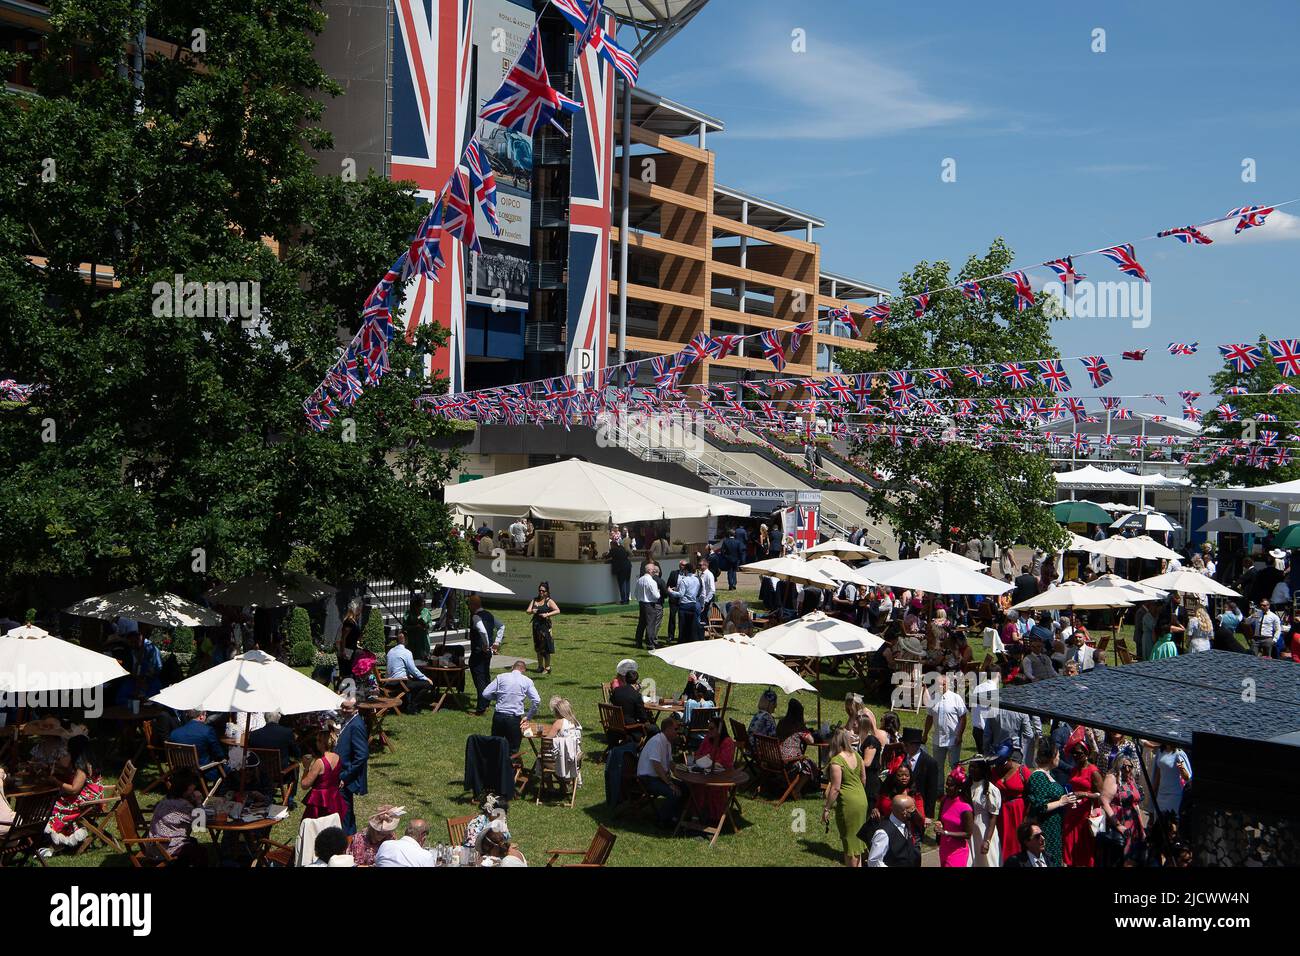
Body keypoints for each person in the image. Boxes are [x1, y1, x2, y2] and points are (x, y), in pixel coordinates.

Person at [46, 735, 104, 851]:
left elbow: (74, 789)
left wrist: (55, 781)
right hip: (91, 798)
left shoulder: (82, 767)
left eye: (69, 749)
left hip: (88, 804)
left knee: (53, 806)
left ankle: (59, 841)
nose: (68, 752)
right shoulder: (88, 761)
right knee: (56, 799)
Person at [1025, 742, 1079, 867]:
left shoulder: (1049, 775)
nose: (1059, 759)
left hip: (1054, 828)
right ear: (1051, 757)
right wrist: (1061, 802)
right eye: (1058, 755)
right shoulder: (1038, 776)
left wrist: (1067, 802)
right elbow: (1040, 806)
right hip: (1045, 828)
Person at [821, 729, 868, 866]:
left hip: (848, 803)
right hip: (861, 799)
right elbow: (863, 779)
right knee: (857, 840)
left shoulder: (837, 761)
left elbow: (835, 788)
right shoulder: (858, 756)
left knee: (850, 843)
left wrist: (827, 808)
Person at [147, 769, 207, 866]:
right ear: (184, 789)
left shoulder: (166, 799)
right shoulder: (183, 805)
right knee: (201, 851)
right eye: (191, 790)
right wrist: (198, 802)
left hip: (154, 845)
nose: (193, 792)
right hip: (165, 848)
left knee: (193, 842)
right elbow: (200, 825)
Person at [482, 660, 541, 754]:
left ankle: (495, 767)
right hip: (514, 719)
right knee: (513, 750)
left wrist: (497, 698)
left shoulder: (501, 677)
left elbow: (485, 693)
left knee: (495, 747)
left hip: (498, 717)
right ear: (523, 670)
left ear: (513, 667)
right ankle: (510, 767)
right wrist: (528, 717)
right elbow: (537, 700)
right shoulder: (526, 681)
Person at [1062, 738, 1102, 867]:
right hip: (1072, 812)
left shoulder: (1093, 771)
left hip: (1086, 815)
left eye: (1078, 753)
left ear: (1086, 753)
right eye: (1073, 753)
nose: (1075, 755)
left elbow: (1101, 796)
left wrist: (1084, 794)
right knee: (1069, 846)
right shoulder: (1074, 769)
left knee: (1084, 848)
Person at [637, 717, 684, 828]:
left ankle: (678, 815)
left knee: (685, 787)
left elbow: (671, 762)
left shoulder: (667, 742)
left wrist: (682, 774)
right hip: (647, 778)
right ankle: (662, 820)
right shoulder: (657, 741)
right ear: (667, 729)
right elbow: (657, 766)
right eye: (675, 729)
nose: (677, 732)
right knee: (673, 793)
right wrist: (670, 784)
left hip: (657, 777)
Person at [690, 717, 736, 824]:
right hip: (705, 772)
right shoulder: (707, 739)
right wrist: (704, 759)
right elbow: (697, 754)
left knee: (710, 787)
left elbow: (725, 763)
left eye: (711, 728)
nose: (708, 731)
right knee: (695, 785)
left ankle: (712, 817)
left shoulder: (727, 742)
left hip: (722, 776)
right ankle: (696, 815)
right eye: (708, 729)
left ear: (719, 729)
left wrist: (710, 761)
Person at [334, 698, 369, 835]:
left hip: (346, 777)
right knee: (343, 811)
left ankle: (348, 840)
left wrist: (345, 775)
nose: (343, 710)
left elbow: (362, 755)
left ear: (356, 709)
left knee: (345, 813)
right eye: (342, 707)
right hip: (342, 773)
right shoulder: (348, 721)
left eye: (347, 708)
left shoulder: (356, 725)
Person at [922, 674, 967, 780]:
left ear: (947, 685)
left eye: (941, 685)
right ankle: (939, 790)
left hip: (953, 739)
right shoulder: (933, 698)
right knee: (938, 767)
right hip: (938, 739)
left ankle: (956, 788)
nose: (938, 687)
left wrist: (959, 735)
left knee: (954, 766)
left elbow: (963, 718)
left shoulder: (956, 698)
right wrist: (925, 734)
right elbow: (929, 717)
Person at [301, 727, 349, 823]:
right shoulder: (337, 757)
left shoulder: (319, 762)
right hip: (333, 798)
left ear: (322, 744)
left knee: (314, 828)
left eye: (318, 740)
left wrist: (306, 768)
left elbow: (304, 785)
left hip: (319, 801)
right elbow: (333, 776)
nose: (316, 743)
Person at [168, 710, 227, 784]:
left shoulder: (174, 733)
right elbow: (219, 755)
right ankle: (221, 792)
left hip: (180, 771)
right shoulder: (208, 731)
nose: (206, 717)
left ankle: (194, 789)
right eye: (206, 715)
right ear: (201, 716)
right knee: (228, 769)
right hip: (202, 771)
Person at [863, 793, 921, 867]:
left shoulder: (905, 823)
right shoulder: (883, 833)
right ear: (904, 812)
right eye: (912, 809)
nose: (915, 812)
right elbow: (874, 861)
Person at [776, 699, 819, 794]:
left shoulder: (781, 722)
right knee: (809, 764)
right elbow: (811, 741)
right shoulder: (798, 726)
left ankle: (787, 786)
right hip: (789, 762)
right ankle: (796, 790)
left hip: (776, 759)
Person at [935, 765, 974, 867]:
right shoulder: (945, 800)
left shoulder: (966, 808)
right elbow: (941, 820)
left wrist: (946, 832)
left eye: (950, 785)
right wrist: (939, 825)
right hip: (944, 848)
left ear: (959, 787)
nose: (947, 787)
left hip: (957, 851)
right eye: (946, 785)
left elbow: (968, 834)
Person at [967, 758, 1002, 867]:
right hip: (971, 830)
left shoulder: (990, 789)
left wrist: (987, 841)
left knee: (987, 861)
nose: (971, 769)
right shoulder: (968, 786)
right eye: (970, 766)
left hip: (985, 830)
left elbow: (993, 817)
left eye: (974, 767)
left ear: (982, 770)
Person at [900, 726, 940, 819]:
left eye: (906, 744)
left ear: (916, 745)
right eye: (904, 744)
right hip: (901, 803)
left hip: (919, 806)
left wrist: (928, 815)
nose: (904, 746)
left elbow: (932, 790)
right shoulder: (902, 757)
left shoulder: (929, 763)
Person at [467, 595, 496, 714]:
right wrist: (497, 642)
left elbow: (482, 631)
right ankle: (487, 702)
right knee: (486, 676)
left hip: (479, 651)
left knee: (480, 679)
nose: (468, 607)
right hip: (487, 653)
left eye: (469, 604)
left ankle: (481, 708)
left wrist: (486, 644)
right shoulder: (489, 615)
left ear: (474, 605)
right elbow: (501, 626)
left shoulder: (475, 617)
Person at [526, 583, 559, 674]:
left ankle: (547, 667)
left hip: (545, 626)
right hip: (536, 626)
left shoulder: (549, 601)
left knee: (546, 647)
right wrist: (532, 611)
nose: (541, 592)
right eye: (540, 590)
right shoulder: (534, 600)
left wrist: (547, 614)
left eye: (543, 591)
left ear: (547, 592)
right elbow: (527, 611)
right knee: (538, 646)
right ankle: (540, 666)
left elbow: (557, 610)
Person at [610, 667, 650, 742]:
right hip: (629, 727)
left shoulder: (617, 690)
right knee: (654, 729)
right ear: (636, 681)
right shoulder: (636, 695)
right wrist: (647, 721)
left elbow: (612, 700)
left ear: (625, 679)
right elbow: (642, 716)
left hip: (614, 724)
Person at [1152, 742, 1191, 817]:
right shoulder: (1160, 751)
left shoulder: (1179, 753)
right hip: (1161, 794)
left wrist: (1182, 769)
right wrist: (1154, 790)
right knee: (1159, 821)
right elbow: (1158, 773)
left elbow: (1187, 778)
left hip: (1174, 795)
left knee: (1172, 822)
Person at [669, 562, 702, 643]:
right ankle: (691, 640)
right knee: (691, 625)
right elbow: (698, 592)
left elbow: (680, 594)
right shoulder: (697, 580)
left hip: (684, 605)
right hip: (693, 603)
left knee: (683, 626)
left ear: (686, 570)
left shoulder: (684, 580)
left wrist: (671, 592)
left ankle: (682, 641)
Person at [634, 563, 664, 651]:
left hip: (642, 603)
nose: (654, 570)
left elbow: (636, 593)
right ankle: (650, 644)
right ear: (649, 570)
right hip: (650, 604)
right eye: (653, 569)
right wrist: (658, 592)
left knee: (641, 624)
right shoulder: (652, 581)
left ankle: (638, 642)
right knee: (650, 625)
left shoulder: (640, 580)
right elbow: (656, 596)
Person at [607, 538, 632, 604]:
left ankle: (623, 600)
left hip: (621, 568)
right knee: (627, 582)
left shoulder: (613, 550)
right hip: (628, 566)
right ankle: (627, 599)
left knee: (622, 583)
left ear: (612, 545)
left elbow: (607, 556)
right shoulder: (622, 548)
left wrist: (605, 556)